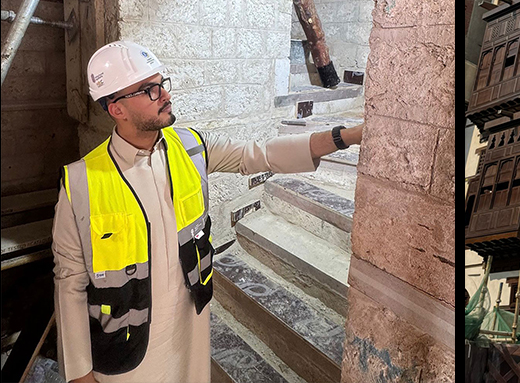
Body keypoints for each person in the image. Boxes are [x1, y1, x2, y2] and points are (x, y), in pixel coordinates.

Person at [52, 41, 363, 383]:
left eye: (161, 83)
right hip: (125, 351)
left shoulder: (191, 147)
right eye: (149, 90)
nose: (164, 94)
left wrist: (345, 137)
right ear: (117, 109)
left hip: (190, 331)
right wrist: (79, 373)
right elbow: (70, 282)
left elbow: (259, 155)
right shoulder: (81, 182)